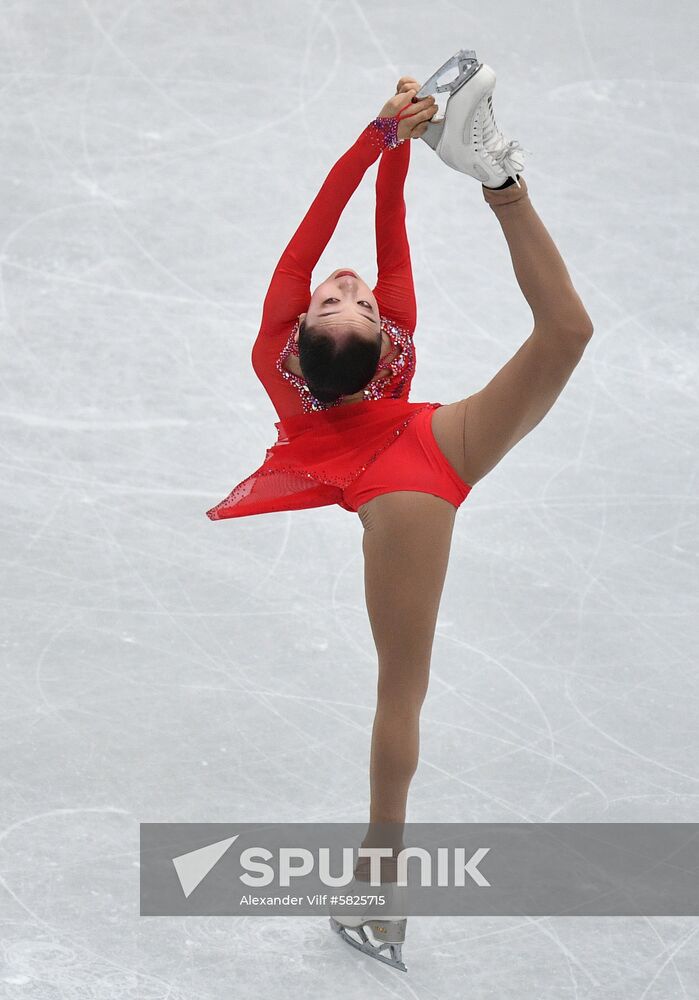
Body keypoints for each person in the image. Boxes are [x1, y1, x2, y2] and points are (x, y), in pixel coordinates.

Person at [206, 64, 593, 971]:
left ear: (303, 325)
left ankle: (499, 173)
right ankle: (382, 890)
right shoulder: (386, 338)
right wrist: (391, 144)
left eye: (348, 300)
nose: (348, 287)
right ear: (386, 343)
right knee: (401, 687)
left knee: (568, 333)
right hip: (404, 487)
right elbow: (382, 250)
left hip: (417, 448)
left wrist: (391, 143)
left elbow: (316, 243)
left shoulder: (277, 349)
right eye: (356, 303)